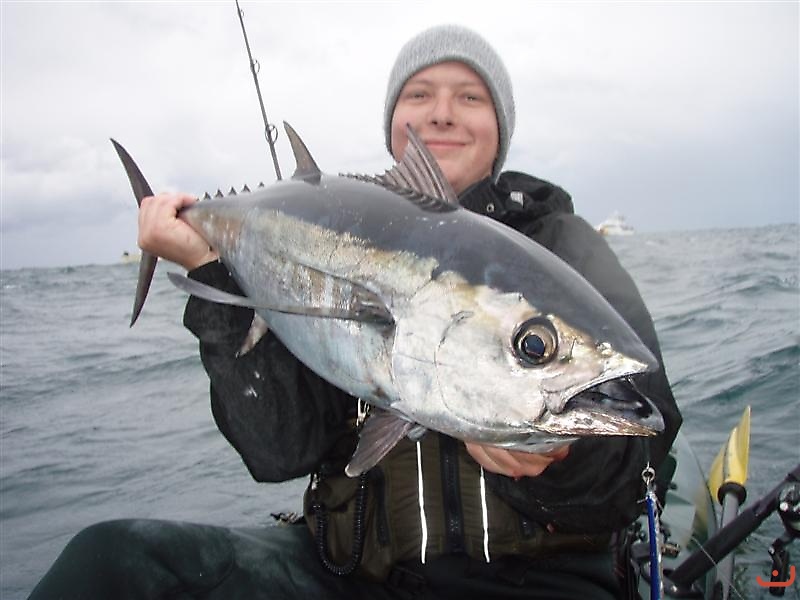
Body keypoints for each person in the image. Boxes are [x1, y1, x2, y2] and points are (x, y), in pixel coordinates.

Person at [28, 25, 681, 599]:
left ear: (501, 125)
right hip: (354, 580)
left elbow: (645, 452)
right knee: (111, 564)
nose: (443, 113)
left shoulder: (565, 248)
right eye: (419, 95)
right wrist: (208, 268)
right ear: (395, 124)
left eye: (471, 96)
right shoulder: (335, 215)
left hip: (547, 583)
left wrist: (559, 463)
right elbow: (277, 452)